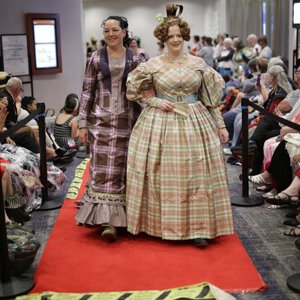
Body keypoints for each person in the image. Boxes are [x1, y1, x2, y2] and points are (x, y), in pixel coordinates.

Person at [125, 4, 234, 247]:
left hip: (195, 121)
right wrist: (154, 100)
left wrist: (221, 126)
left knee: (196, 175)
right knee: (163, 174)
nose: (175, 40)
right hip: (161, 121)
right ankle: (161, 226)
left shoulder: (197, 64)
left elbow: (210, 98)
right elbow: (135, 90)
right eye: (170, 36)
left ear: (184, 36)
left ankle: (199, 228)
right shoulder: (152, 65)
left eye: (178, 36)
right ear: (163, 39)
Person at [75, 15, 146, 242]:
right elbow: (87, 92)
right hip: (101, 122)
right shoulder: (95, 58)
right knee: (103, 171)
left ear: (125, 32)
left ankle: (128, 218)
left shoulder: (137, 58)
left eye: (115, 29)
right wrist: (83, 123)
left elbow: (146, 90)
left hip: (129, 121)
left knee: (125, 170)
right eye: (106, 30)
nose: (111, 34)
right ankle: (108, 222)